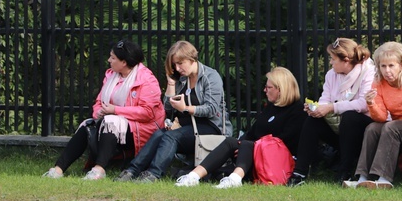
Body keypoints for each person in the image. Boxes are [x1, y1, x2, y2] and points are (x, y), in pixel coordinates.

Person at [43, 40, 165, 180]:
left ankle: (99, 170)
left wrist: (115, 110)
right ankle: (58, 169)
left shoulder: (147, 80)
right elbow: (99, 101)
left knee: (110, 122)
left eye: (113, 58)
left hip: (141, 128)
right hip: (112, 121)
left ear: (124, 62)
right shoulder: (111, 75)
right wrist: (98, 112)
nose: (109, 60)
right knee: (87, 125)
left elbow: (147, 113)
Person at [117, 40, 230, 182]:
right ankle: (132, 171)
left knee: (172, 136)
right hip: (188, 128)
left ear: (191, 58)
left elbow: (212, 109)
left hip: (210, 127)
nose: (177, 68)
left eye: (180, 63)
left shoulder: (210, 77)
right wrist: (171, 84)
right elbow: (168, 109)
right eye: (174, 65)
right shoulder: (183, 79)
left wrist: (186, 109)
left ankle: (153, 174)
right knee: (159, 134)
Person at [174, 66, 306, 188]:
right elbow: (253, 131)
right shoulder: (271, 107)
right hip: (254, 152)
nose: (265, 90)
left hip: (275, 158)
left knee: (248, 145)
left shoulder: (297, 110)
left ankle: (235, 180)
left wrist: (252, 146)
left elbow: (285, 140)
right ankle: (193, 176)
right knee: (231, 141)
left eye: (269, 87)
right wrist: (240, 143)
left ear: (280, 89)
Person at [287, 38, 376, 187]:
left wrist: (331, 108)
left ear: (346, 60)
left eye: (333, 59)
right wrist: (316, 109)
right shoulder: (331, 75)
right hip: (340, 128)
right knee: (312, 120)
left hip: (362, 130)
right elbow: (325, 99)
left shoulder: (368, 72)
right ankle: (299, 173)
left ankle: (345, 171)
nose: (331, 62)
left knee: (350, 117)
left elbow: (363, 104)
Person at [348, 41, 402, 189]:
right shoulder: (378, 84)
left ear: (401, 65)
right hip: (399, 127)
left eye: (391, 66)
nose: (387, 71)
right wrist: (371, 104)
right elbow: (381, 117)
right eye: (383, 66)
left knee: (392, 127)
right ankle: (363, 177)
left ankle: (384, 179)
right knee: (372, 128)